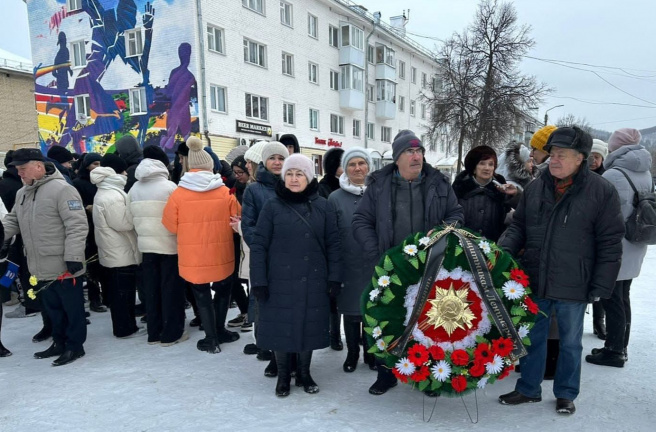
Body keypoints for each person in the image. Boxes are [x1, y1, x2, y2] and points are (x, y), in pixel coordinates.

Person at [497, 126, 624, 415]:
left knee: (570, 343)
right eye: (552, 154)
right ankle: (528, 389)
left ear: (581, 158)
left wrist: (602, 284)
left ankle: (566, 393)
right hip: (536, 277)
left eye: (561, 155)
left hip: (574, 281)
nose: (553, 160)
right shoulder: (537, 186)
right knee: (532, 338)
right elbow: (519, 226)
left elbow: (610, 241)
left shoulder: (601, 191)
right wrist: (504, 252)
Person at [352, 130, 464, 395]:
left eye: (420, 151)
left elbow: (456, 214)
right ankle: (386, 374)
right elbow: (360, 221)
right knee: (388, 320)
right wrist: (378, 252)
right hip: (390, 268)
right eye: (410, 152)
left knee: (429, 322)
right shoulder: (379, 185)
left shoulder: (439, 183)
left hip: (431, 266)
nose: (417, 156)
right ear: (398, 158)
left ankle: (426, 374)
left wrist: (442, 232)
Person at [250, 154, 341, 397]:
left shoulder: (323, 205)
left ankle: (304, 373)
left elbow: (333, 243)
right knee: (282, 328)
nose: (293, 178)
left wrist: (334, 278)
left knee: (308, 327)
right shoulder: (272, 206)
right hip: (278, 280)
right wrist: (258, 280)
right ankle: (282, 376)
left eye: (299, 173)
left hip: (313, 279)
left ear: (309, 177)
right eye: (289, 173)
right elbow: (259, 245)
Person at [1, 148, 88, 366]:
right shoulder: (23, 193)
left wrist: (74, 256)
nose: (19, 173)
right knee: (52, 309)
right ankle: (59, 342)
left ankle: (75, 346)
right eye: (17, 170)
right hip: (38, 264)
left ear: (38, 166)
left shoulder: (62, 189)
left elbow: (77, 225)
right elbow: (13, 221)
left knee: (72, 308)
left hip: (64, 263)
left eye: (23, 169)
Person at [162, 137, 241, 354]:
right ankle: (220, 329)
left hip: (193, 254)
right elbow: (237, 220)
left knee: (201, 293)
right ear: (210, 166)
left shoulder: (178, 194)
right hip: (221, 251)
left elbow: (169, 225)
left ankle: (211, 338)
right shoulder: (224, 192)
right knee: (224, 290)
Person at [585, 128, 651, 368]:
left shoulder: (615, 174)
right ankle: (619, 346)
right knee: (623, 296)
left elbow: (608, 215)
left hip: (616, 245)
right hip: (635, 241)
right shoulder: (643, 170)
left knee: (612, 297)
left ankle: (614, 351)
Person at [128, 148, 188, 346]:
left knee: (151, 290)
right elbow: (179, 217)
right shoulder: (170, 187)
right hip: (169, 245)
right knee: (171, 290)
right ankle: (171, 332)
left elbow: (129, 219)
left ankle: (153, 333)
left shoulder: (134, 188)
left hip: (146, 246)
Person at [241, 141, 289, 374]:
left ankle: (287, 351)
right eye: (272, 158)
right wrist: (263, 250)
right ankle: (268, 349)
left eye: (281, 158)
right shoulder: (254, 189)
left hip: (291, 260)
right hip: (265, 259)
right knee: (264, 305)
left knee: (287, 307)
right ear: (265, 162)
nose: (277, 162)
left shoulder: (293, 184)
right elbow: (248, 225)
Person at [327, 147, 377, 372]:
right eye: (352, 164)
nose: (357, 168)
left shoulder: (379, 193)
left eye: (361, 163)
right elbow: (330, 233)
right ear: (345, 169)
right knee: (349, 310)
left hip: (374, 262)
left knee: (372, 309)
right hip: (347, 262)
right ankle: (352, 354)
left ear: (368, 166)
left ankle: (370, 352)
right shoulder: (335, 198)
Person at [91, 156, 142, 339]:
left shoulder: (107, 190)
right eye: (123, 170)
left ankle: (127, 326)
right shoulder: (111, 195)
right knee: (123, 294)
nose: (126, 173)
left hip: (115, 250)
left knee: (122, 293)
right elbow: (123, 223)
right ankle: (125, 328)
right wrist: (137, 213)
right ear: (116, 172)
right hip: (119, 252)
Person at [452, 145, 518, 242]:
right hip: (463, 247)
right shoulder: (459, 189)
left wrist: (515, 195)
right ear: (474, 168)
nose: (487, 168)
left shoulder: (502, 191)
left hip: (494, 249)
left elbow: (519, 214)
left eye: (491, 164)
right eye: (482, 163)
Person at [317, 147, 345, 351]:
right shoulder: (324, 187)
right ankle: (333, 334)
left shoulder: (350, 185)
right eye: (342, 164)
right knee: (332, 294)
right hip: (330, 247)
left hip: (348, 247)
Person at [72, 153, 107, 314]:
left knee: (106, 264)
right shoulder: (78, 183)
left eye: (100, 164)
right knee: (92, 266)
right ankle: (95, 299)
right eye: (95, 164)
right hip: (89, 230)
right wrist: (87, 207)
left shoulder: (103, 182)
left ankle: (107, 297)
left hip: (104, 228)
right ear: (87, 166)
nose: (98, 167)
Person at [587, 138, 610, 340]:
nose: (593, 161)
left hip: (598, 237)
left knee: (598, 283)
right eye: (590, 156)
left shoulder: (607, 179)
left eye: (597, 157)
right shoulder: (579, 177)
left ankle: (598, 321)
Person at [226, 156, 251, 332]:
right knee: (233, 277)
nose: (237, 176)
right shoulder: (233, 189)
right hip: (236, 237)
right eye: (235, 173)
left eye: (240, 172)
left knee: (251, 279)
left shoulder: (254, 189)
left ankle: (252, 314)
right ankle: (245, 310)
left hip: (248, 239)